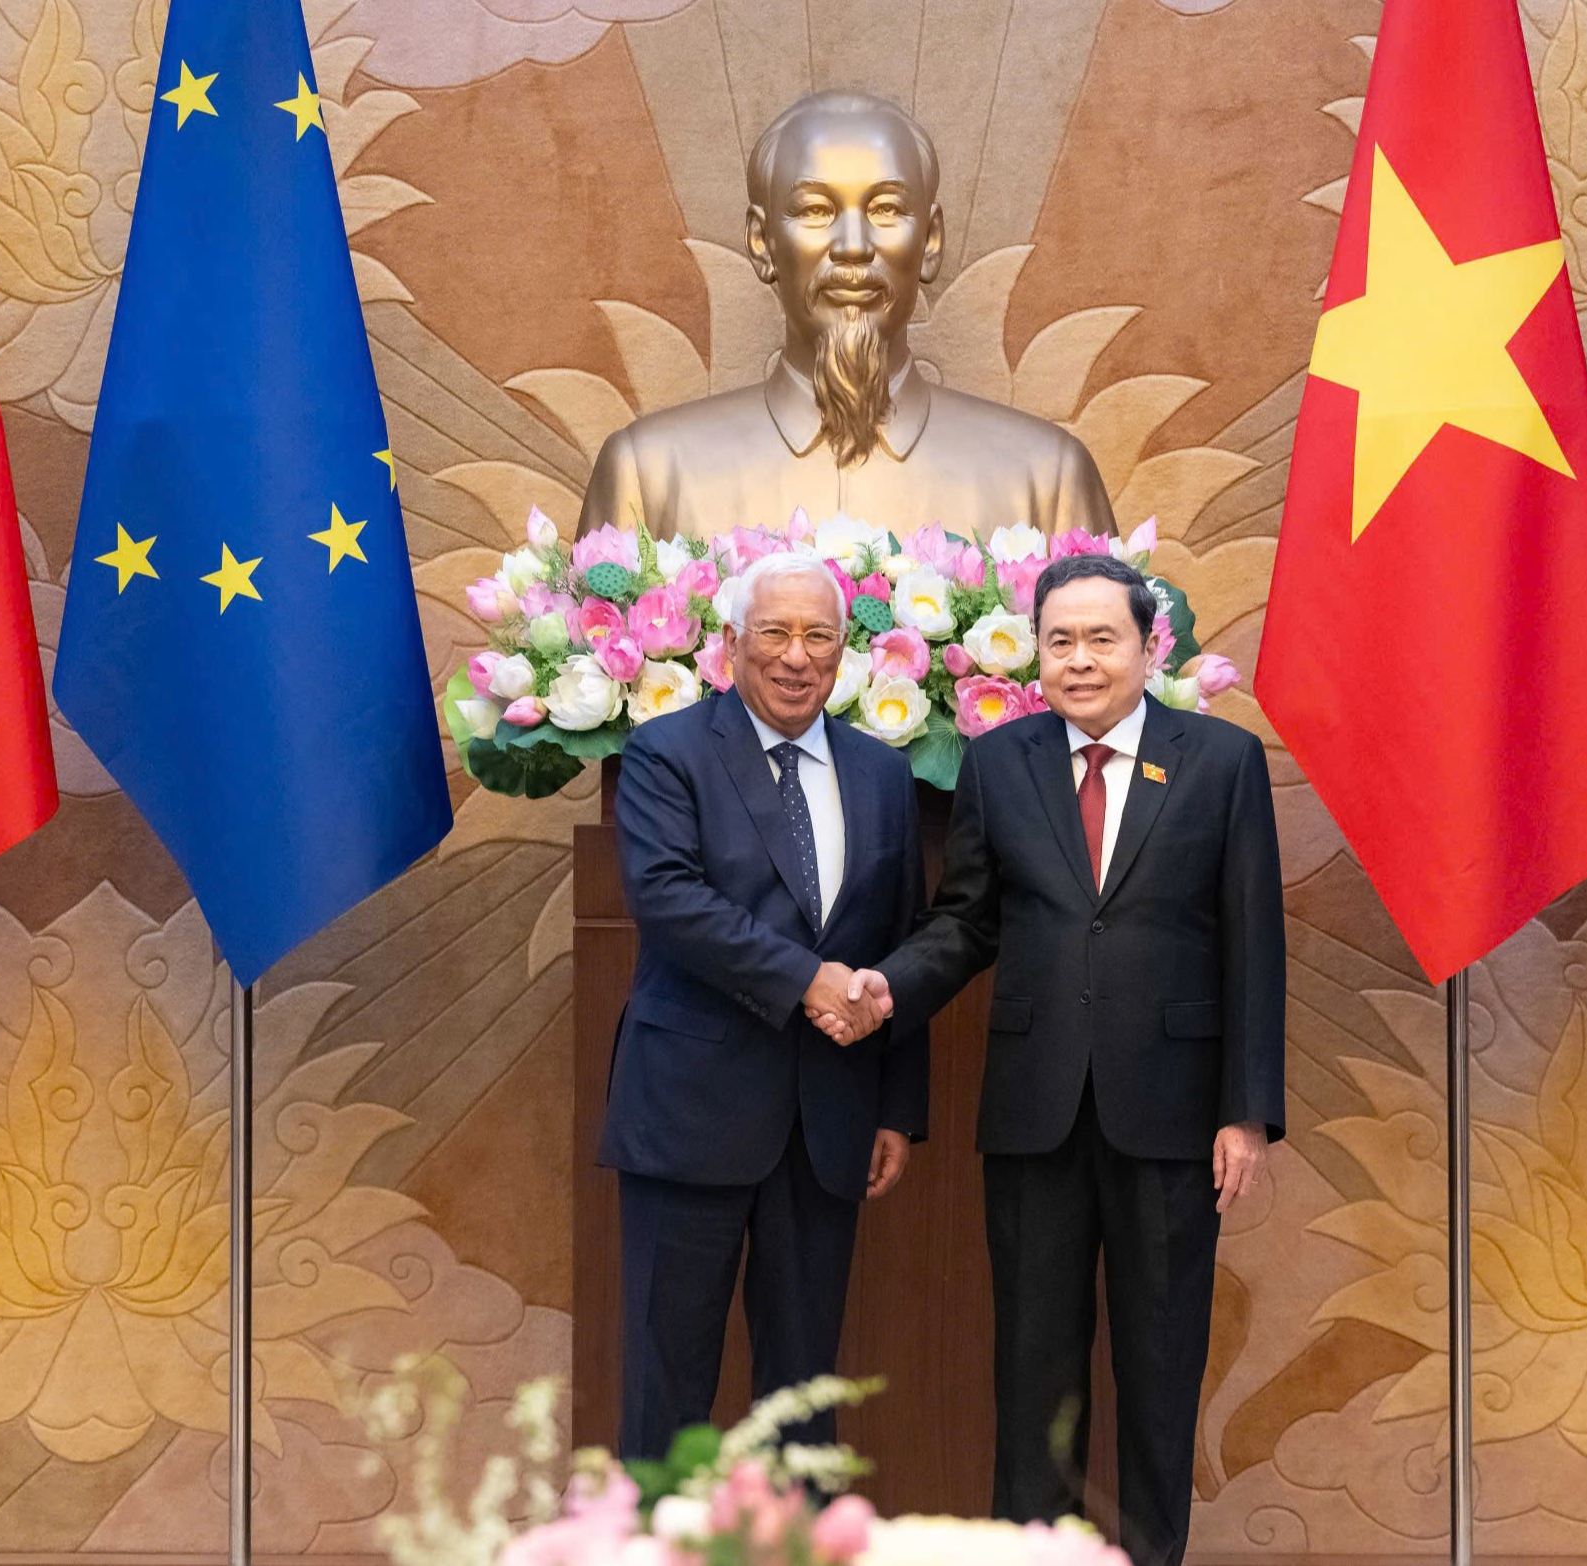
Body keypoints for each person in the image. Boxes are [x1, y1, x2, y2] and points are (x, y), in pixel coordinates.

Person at [824, 553, 1285, 1566]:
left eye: (1101, 639)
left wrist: (1246, 1110)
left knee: (1160, 1366)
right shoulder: (1000, 762)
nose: (1079, 660)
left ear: (1148, 648)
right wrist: (891, 986)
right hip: (1034, 1111)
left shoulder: (1220, 761)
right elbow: (965, 921)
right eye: (1059, 640)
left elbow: (1252, 938)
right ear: (1036, 652)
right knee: (1033, 1368)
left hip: (1172, 1114)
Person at [604, 550, 928, 1458]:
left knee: (802, 1395)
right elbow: (668, 899)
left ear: (844, 652)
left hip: (827, 1121)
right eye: (774, 632)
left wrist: (896, 1107)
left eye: (818, 635)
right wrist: (806, 980)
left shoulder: (880, 772)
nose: (795, 655)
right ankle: (655, 1537)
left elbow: (900, 937)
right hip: (688, 1113)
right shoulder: (667, 752)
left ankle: (797, 1536)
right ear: (731, 642)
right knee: (666, 1386)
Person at [575, 90, 1114, 544]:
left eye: (886, 209)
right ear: (762, 243)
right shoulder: (650, 477)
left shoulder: (1048, 482)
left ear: (930, 241)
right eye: (815, 210)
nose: (853, 246)